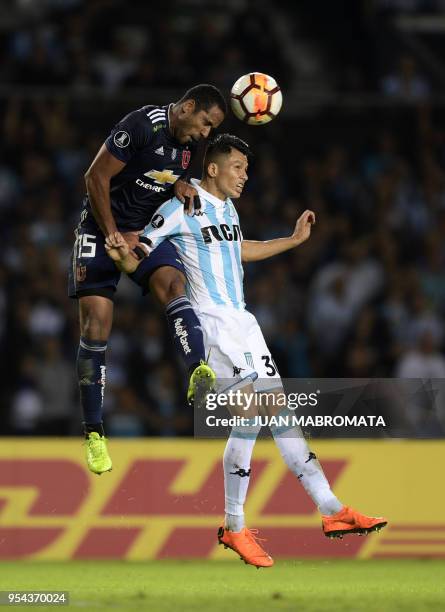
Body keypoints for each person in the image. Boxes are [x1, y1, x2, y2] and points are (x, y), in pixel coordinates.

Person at [106, 134, 387, 567]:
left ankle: (332, 510)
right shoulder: (183, 203)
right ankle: (234, 526)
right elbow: (140, 249)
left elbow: (238, 251)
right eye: (237, 167)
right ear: (213, 168)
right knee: (251, 417)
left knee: (279, 412)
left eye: (247, 169)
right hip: (213, 325)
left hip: (244, 323)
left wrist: (291, 241)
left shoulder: (229, 209)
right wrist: (123, 255)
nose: (245, 176)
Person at [68, 84, 226, 474]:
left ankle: (197, 371)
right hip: (100, 229)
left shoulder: (190, 145)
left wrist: (180, 185)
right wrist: (112, 235)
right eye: (205, 123)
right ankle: (94, 433)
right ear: (188, 107)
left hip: (145, 233)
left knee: (175, 284)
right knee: (96, 325)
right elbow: (95, 178)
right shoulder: (141, 125)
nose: (206, 134)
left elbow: (168, 178)